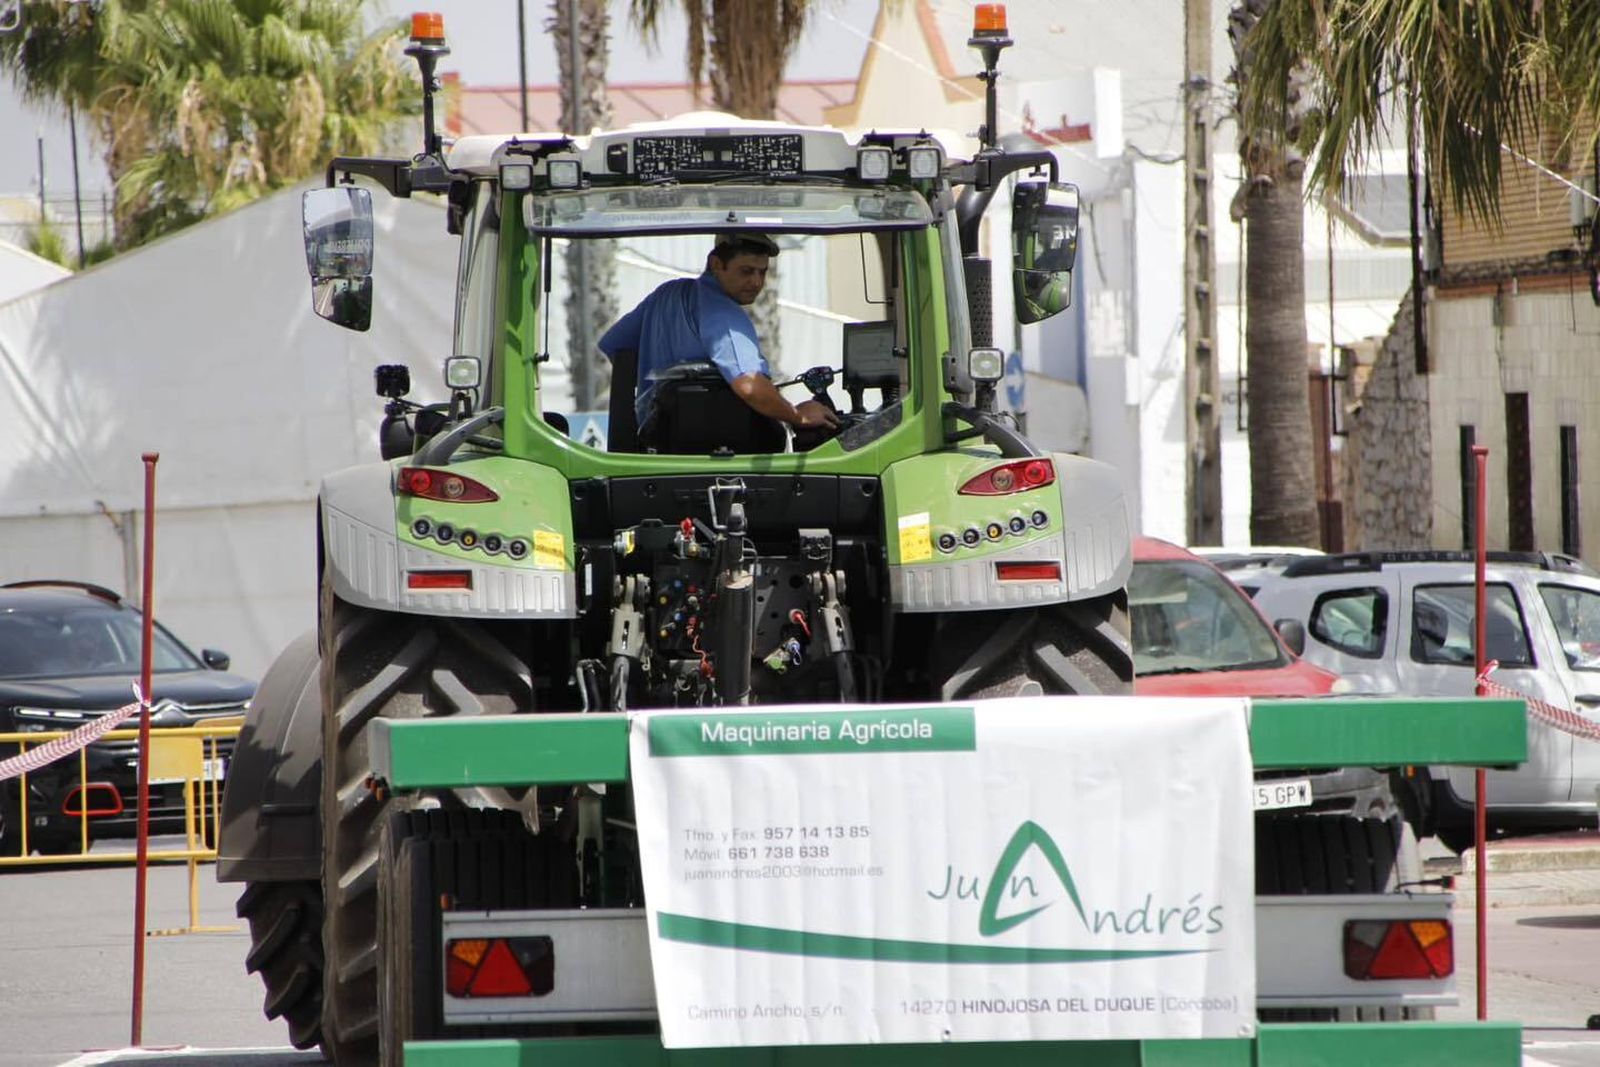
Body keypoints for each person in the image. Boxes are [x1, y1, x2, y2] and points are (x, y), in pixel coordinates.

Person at [598, 232, 839, 435]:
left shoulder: (667, 294)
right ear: (716, 265)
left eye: (762, 272)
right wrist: (798, 416)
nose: (756, 282)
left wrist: (656, 392)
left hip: (653, 444)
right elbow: (749, 385)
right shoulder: (724, 313)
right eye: (746, 271)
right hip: (717, 455)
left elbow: (615, 347)